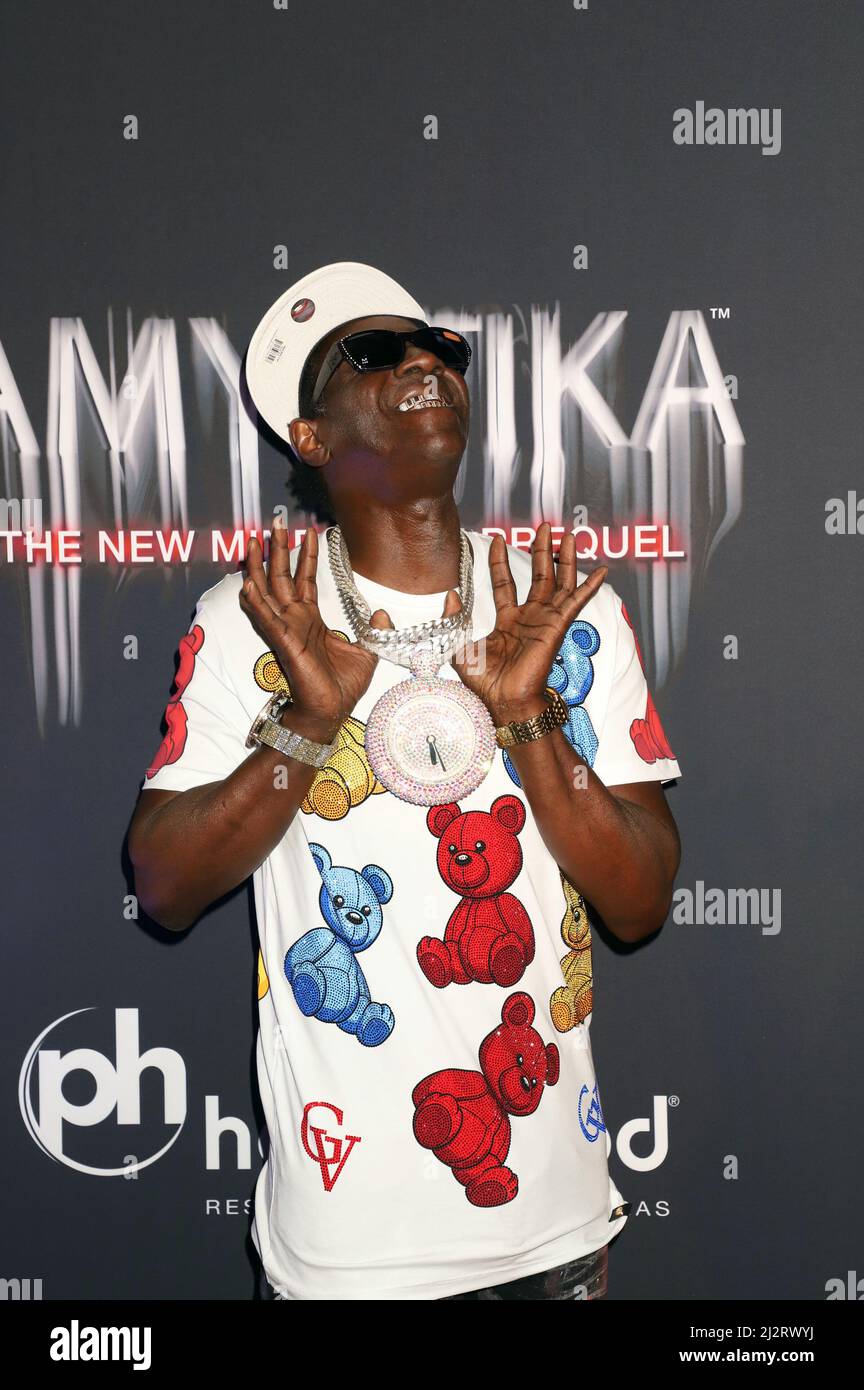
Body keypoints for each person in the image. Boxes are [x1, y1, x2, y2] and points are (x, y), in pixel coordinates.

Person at [128, 261, 682, 1301]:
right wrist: (306, 723)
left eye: (441, 347)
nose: (426, 363)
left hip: (552, 1233)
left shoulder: (564, 607)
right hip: (344, 1251)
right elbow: (162, 883)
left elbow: (641, 899)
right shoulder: (250, 618)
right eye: (375, 354)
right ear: (312, 438)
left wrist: (528, 716)